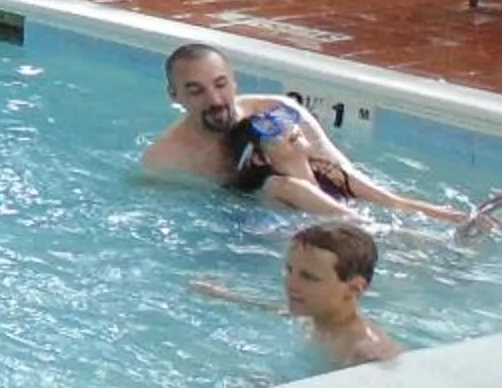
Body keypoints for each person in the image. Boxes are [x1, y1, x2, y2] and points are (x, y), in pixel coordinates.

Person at [141, 44, 469, 225]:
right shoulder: (165, 162)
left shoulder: (279, 111)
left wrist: (441, 216)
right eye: (195, 90)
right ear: (174, 96)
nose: (214, 100)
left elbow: (347, 179)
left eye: (221, 84)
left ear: (235, 81)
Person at [191, 222, 403, 365]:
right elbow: (280, 309)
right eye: (289, 270)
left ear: (354, 288)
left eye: (309, 277)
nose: (291, 284)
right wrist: (227, 296)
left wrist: (386, 355)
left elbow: (393, 361)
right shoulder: (315, 315)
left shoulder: (359, 348)